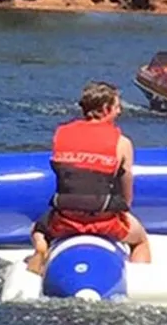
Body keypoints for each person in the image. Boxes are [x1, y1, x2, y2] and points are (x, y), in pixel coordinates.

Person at [27, 81, 151, 274]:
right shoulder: (122, 142)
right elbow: (127, 189)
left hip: (65, 218)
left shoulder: (61, 134)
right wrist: (124, 210)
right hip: (104, 220)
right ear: (105, 108)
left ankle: (41, 248)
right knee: (141, 240)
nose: (119, 111)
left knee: (37, 229)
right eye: (117, 106)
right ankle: (140, 278)